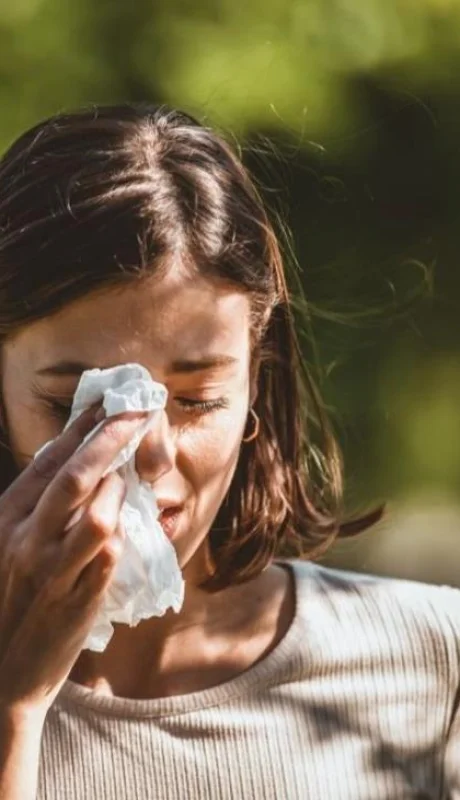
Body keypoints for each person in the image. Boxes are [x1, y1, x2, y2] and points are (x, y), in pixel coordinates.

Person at [0, 104, 457, 800]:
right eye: (76, 407)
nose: (147, 456)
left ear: (255, 377)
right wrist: (13, 708)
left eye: (195, 399)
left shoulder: (430, 661)